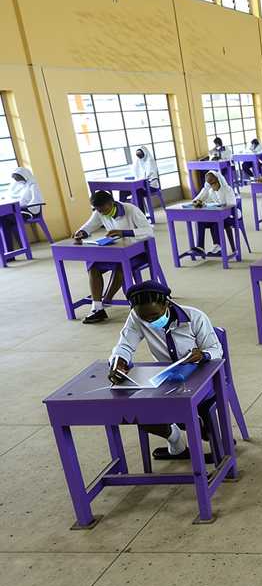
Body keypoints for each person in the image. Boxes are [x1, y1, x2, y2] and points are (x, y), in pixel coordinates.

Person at [106, 281, 223, 461]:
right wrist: (119, 362)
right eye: (144, 317)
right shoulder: (137, 317)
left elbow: (216, 350)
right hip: (166, 378)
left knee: (194, 406)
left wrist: (203, 354)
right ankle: (176, 440)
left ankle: (212, 440)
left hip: (200, 375)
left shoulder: (195, 317)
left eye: (154, 315)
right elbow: (125, 345)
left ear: (166, 304)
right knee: (136, 411)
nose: (149, 321)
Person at [71, 190, 155, 324]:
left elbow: (149, 231)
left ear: (112, 203)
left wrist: (124, 233)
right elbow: (89, 226)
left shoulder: (131, 210)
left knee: (121, 266)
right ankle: (97, 308)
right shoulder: (100, 212)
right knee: (93, 267)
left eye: (104, 210)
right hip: (116, 252)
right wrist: (81, 233)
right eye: (99, 210)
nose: (102, 213)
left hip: (138, 253)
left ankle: (107, 299)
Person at [191, 170, 238, 255]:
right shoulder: (211, 191)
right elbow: (199, 198)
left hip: (230, 217)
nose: (212, 186)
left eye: (214, 183)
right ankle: (200, 247)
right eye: (210, 184)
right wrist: (197, 201)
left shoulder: (227, 189)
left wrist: (220, 207)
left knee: (215, 220)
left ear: (219, 181)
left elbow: (231, 206)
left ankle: (218, 247)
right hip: (217, 216)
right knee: (200, 221)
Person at [4, 167, 44, 247]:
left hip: (29, 211)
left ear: (24, 175)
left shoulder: (33, 185)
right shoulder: (17, 186)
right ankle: (10, 250)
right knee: (3, 220)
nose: (16, 180)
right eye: (15, 178)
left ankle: (22, 246)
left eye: (18, 177)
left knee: (6, 219)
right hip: (18, 211)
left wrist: (21, 206)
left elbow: (37, 201)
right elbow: (10, 197)